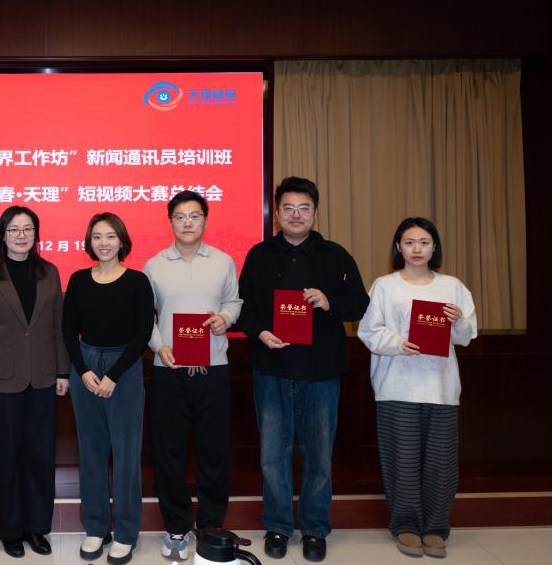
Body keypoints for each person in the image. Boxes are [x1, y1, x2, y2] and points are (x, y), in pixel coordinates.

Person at [236, 176, 369, 563]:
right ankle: (278, 525)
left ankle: (314, 528)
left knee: (319, 456)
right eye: (288, 208)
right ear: (277, 213)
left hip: (321, 372)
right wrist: (260, 332)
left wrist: (329, 301)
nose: (296, 215)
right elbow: (243, 306)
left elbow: (359, 304)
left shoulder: (335, 255)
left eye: (304, 208)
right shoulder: (260, 255)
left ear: (315, 212)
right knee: (272, 455)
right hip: (272, 369)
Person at [357, 217, 477, 558]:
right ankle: (406, 526)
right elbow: (368, 331)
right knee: (402, 460)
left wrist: (458, 321)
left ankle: (436, 528)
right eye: (409, 242)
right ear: (398, 247)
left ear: (434, 247)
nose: (417, 249)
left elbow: (466, 336)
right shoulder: (384, 286)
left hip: (440, 387)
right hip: (396, 386)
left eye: (424, 242)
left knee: (441, 461)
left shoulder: (452, 286)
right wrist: (399, 343)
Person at [142, 190, 242, 562]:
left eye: (194, 215)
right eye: (180, 216)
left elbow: (234, 302)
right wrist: (158, 346)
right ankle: (176, 526)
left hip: (213, 369)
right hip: (169, 371)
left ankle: (211, 525)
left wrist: (225, 318)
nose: (187, 222)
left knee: (214, 452)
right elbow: (145, 317)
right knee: (169, 453)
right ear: (170, 222)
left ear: (205, 220)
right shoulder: (154, 265)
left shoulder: (223, 261)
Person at [0, 206, 70, 559]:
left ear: (36, 234)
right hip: (0, 382)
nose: (21, 235)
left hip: (42, 378)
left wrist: (62, 372)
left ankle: (36, 528)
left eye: (28, 229)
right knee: (5, 457)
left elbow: (58, 327)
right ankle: (9, 530)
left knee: (40, 457)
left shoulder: (49, 272)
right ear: (2, 235)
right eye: (14, 229)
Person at [63, 213, 154, 565]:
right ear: (89, 242)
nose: (104, 243)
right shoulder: (78, 280)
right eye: (97, 236)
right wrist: (83, 370)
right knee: (91, 452)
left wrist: (113, 375)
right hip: (85, 365)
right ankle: (96, 527)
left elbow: (142, 333)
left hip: (124, 368)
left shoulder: (137, 281)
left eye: (111, 236)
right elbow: (68, 330)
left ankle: (126, 532)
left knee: (127, 454)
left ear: (122, 241)